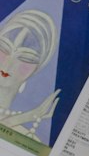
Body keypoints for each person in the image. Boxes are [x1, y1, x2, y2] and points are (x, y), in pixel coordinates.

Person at [0, 9, 59, 141]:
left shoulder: (29, 137)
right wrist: (29, 116)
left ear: (38, 67)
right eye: (3, 48)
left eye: (26, 57)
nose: (8, 64)